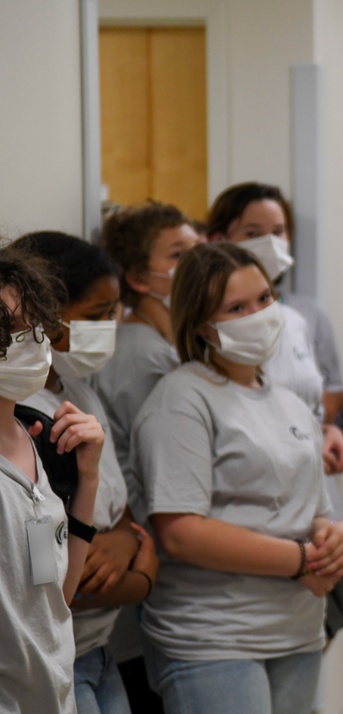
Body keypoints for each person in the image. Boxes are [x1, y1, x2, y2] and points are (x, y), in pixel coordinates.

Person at [130, 242, 343, 714]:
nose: (258, 314)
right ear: (201, 324)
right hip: (214, 638)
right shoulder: (183, 398)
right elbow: (181, 533)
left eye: (264, 299)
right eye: (237, 307)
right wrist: (301, 561)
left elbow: (312, 512)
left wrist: (336, 539)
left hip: (296, 630)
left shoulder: (288, 403)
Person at [17, 232, 159, 714]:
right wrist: (143, 574)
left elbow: (110, 508)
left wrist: (125, 539)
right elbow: (52, 585)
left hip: (101, 650)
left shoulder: (77, 388)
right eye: (95, 314)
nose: (109, 326)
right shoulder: (26, 420)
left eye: (113, 312)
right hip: (55, 658)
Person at [93, 200, 199, 713]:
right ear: (137, 276)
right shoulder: (140, 354)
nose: (196, 264)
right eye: (178, 254)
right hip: (144, 552)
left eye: (198, 249)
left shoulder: (171, 343)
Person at [0, 243, 104, 713]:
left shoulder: (34, 438)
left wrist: (88, 479)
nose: (34, 342)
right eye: (12, 332)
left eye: (35, 326)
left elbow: (55, 596)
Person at [206, 182, 343, 425]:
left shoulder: (303, 315)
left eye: (278, 232)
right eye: (253, 234)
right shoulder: (210, 315)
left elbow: (331, 391)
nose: (269, 243)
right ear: (219, 239)